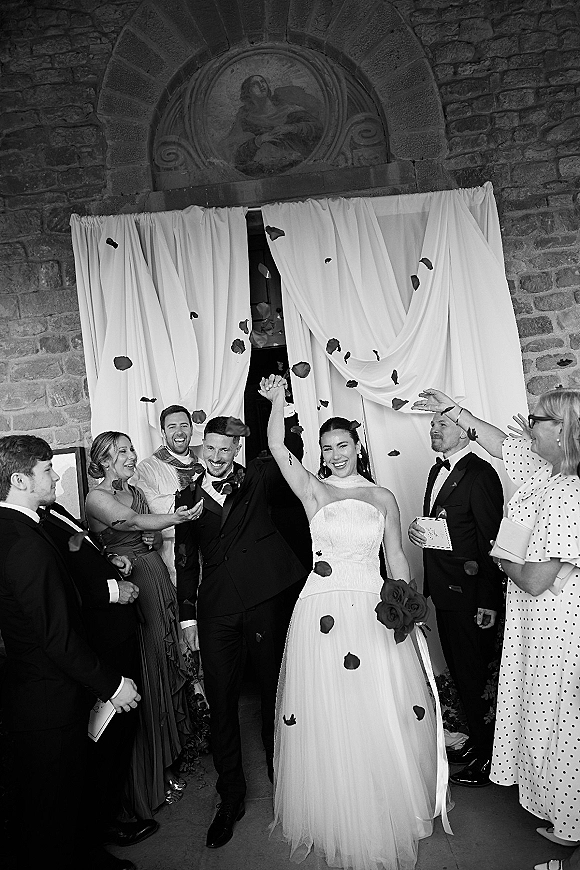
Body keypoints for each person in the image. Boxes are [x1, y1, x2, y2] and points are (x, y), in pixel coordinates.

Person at [261, 375, 443, 870]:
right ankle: (337, 808)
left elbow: (397, 559)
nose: (336, 453)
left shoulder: (383, 496)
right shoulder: (313, 490)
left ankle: (381, 799)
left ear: (358, 444)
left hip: (372, 607)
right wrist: (279, 401)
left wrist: (408, 609)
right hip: (321, 608)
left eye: (343, 444)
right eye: (327, 447)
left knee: (378, 703)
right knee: (330, 708)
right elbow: (276, 445)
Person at [413, 388, 580, 844]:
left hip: (557, 624)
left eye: (537, 419)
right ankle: (550, 802)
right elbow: (499, 442)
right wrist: (453, 410)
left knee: (560, 718)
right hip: (533, 622)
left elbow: (534, 579)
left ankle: (570, 822)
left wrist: (501, 557)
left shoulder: (570, 492)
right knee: (536, 710)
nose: (527, 426)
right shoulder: (541, 470)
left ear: (563, 431)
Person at [0, 435, 139, 870]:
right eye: (46, 470)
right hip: (45, 698)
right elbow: (54, 636)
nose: (55, 475)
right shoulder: (21, 542)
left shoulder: (28, 524)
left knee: (62, 802)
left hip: (46, 691)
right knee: (51, 811)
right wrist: (112, 684)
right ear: (20, 479)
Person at [174, 413, 307, 849]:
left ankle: (282, 783)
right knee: (222, 699)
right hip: (217, 611)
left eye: (224, 450)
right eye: (208, 449)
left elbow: (291, 452)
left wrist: (278, 408)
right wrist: (188, 618)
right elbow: (185, 560)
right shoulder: (186, 496)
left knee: (273, 692)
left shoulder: (260, 479)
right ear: (201, 448)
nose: (215, 457)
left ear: (236, 451)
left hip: (263, 602)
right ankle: (230, 796)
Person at [85, 432, 202, 819]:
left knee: (168, 664)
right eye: (122, 451)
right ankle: (152, 775)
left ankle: (171, 758)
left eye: (132, 449)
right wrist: (179, 517)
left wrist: (153, 535)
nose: (132, 456)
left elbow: (143, 529)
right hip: (134, 587)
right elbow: (134, 521)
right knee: (151, 667)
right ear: (103, 460)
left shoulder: (133, 487)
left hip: (155, 579)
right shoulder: (96, 497)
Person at [40, 499, 158, 849]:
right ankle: (102, 826)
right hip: (97, 641)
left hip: (116, 632)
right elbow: (58, 589)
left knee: (122, 730)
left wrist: (107, 561)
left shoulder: (52, 512)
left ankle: (111, 813)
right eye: (47, 471)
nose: (57, 480)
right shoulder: (28, 529)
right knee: (105, 736)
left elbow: (76, 548)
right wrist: (110, 590)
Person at [407, 405, 504, 787]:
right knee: (462, 675)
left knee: (474, 677)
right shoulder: (436, 469)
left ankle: (491, 758)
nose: (434, 428)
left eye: (442, 423)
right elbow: (448, 528)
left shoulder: (480, 474)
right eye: (432, 424)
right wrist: (421, 532)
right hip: (445, 593)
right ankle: (481, 745)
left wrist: (488, 602)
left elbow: (490, 542)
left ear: (464, 431)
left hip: (471, 599)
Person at [133, 405, 201, 584]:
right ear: (163, 432)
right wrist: (196, 505)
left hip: (205, 548)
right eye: (172, 427)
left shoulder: (203, 466)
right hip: (170, 552)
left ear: (192, 429)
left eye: (184, 426)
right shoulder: (147, 468)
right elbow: (149, 503)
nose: (179, 432)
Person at [219, 74, 323, 176]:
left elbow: (318, 128)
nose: (261, 85)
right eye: (255, 84)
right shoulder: (245, 121)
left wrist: (291, 128)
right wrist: (259, 140)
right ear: (248, 92)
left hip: (300, 162)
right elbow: (234, 152)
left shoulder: (288, 110)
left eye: (262, 81)